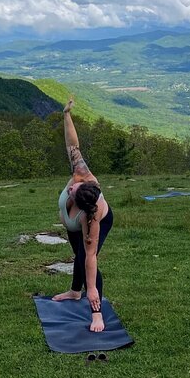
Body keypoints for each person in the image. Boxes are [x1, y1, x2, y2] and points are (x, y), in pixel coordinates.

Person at [52, 96, 114, 332]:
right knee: (76, 255)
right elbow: (72, 146)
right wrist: (66, 115)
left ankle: (97, 313)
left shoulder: (91, 218)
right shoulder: (81, 174)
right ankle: (74, 291)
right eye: (73, 187)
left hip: (97, 222)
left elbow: (91, 257)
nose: (70, 188)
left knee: (85, 259)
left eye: (73, 193)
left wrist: (93, 290)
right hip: (71, 225)